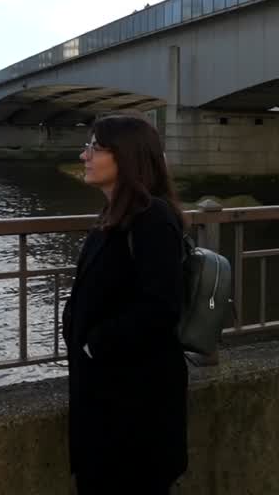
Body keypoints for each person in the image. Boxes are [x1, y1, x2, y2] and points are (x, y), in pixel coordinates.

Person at [62, 112, 189, 494]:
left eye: (94, 147)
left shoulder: (152, 219)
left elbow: (161, 306)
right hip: (109, 398)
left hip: (136, 407)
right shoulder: (116, 214)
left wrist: (94, 343)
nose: (84, 156)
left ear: (127, 157)